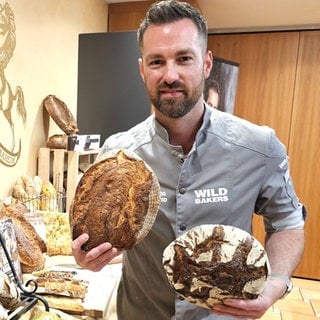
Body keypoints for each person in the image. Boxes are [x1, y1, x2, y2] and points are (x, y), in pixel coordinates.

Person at [72, 1, 306, 319]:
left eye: (184, 58)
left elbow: (287, 222)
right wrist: (88, 255)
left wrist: (275, 284)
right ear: (142, 70)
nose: (170, 75)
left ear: (206, 63)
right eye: (157, 62)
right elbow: (99, 239)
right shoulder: (118, 156)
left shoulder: (258, 147)